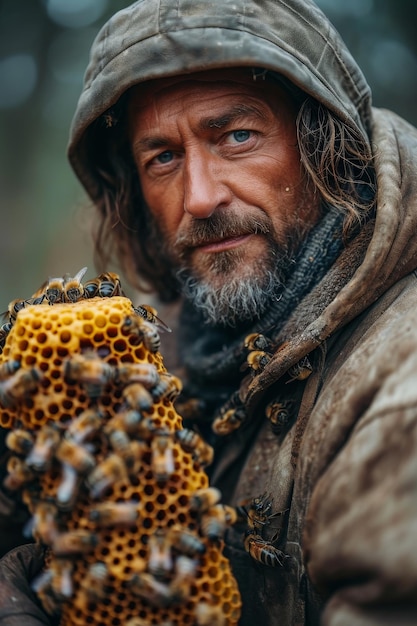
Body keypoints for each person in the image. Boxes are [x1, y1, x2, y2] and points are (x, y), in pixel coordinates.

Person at [1, 0, 417, 624]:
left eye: (237, 137)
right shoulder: (167, 349)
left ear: (324, 145)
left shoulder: (400, 399)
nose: (199, 197)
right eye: (162, 157)